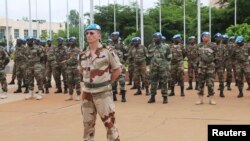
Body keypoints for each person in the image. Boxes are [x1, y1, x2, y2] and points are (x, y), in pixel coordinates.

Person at [80, 23, 121, 141]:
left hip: (103, 93)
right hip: (87, 93)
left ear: (99, 35)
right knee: (87, 125)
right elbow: (81, 71)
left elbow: (117, 69)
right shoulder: (82, 54)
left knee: (109, 124)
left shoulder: (108, 52)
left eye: (92, 33)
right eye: (87, 33)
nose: (88, 35)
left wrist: (107, 82)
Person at [147, 32, 172, 104]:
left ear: (160, 38)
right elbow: (148, 56)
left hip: (163, 68)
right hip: (153, 68)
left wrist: (164, 64)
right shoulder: (150, 46)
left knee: (164, 82)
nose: (154, 39)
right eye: (154, 37)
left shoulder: (166, 46)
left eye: (156, 37)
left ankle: (165, 97)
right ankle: (152, 97)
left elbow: (169, 57)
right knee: (153, 82)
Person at [196, 32, 216, 105]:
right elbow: (196, 55)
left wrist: (214, 64)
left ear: (209, 37)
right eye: (203, 36)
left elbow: (217, 55)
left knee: (210, 83)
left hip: (210, 67)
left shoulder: (213, 45)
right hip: (201, 67)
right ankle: (200, 99)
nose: (204, 38)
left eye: (206, 36)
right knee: (200, 83)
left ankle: (211, 99)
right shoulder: (199, 45)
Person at [110, 31, 127, 102]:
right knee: (113, 82)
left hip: (120, 65)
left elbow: (126, 55)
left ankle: (123, 96)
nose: (114, 37)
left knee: (122, 81)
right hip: (113, 66)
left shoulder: (122, 45)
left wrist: (122, 62)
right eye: (113, 36)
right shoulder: (110, 46)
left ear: (118, 37)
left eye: (115, 36)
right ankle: (114, 96)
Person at [63, 37, 81, 101]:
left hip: (75, 67)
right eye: (70, 41)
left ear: (75, 42)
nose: (71, 42)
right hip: (69, 68)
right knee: (69, 82)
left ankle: (78, 95)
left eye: (72, 41)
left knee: (77, 82)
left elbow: (78, 59)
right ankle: (70, 95)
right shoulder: (67, 50)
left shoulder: (78, 50)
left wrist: (79, 66)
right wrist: (66, 63)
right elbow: (65, 58)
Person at [214, 33, 227, 97]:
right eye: (216, 37)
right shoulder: (212, 46)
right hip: (212, 65)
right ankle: (210, 92)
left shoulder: (224, 47)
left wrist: (221, 64)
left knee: (221, 79)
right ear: (215, 38)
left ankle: (221, 92)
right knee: (210, 79)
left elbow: (225, 56)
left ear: (221, 38)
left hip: (220, 65)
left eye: (219, 37)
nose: (218, 39)